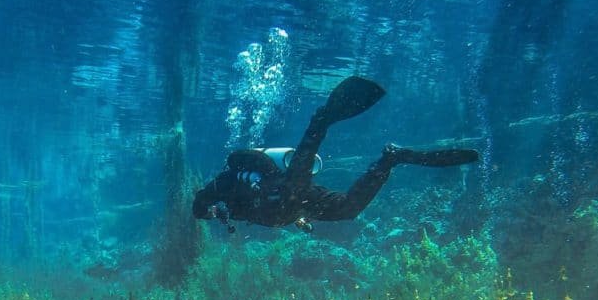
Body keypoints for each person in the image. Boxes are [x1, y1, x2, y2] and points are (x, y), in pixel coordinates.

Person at [192, 76, 479, 233]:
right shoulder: (232, 188)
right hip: (294, 206)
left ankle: (320, 121)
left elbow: (198, 205)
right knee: (348, 209)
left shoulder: (225, 182)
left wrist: (210, 209)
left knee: (296, 182)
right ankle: (390, 158)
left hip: (285, 198)